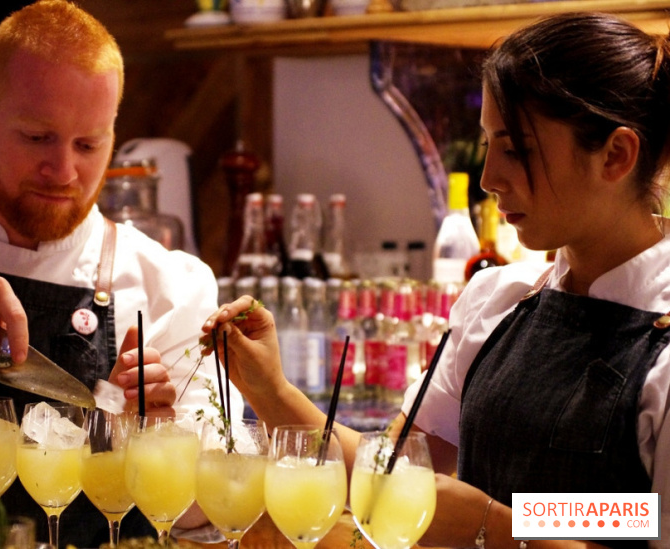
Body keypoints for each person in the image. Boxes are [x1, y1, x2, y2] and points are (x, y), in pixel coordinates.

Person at [203, 11, 670, 549]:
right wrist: (271, 390)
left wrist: (492, 525)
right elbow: (390, 477)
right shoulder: (499, 300)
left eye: (517, 150)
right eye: (487, 145)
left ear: (615, 155)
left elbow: (646, 519)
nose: (490, 178)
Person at [0, 1, 241, 546]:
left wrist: (149, 439)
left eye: (88, 144)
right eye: (37, 138)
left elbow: (210, 518)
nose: (64, 171)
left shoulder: (169, 286)